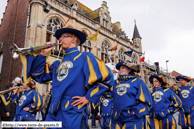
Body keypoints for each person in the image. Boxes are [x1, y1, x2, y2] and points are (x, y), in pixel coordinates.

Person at [30, 23, 114, 128]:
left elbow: (108, 78)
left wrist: (88, 97)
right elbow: (38, 75)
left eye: (64, 36)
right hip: (53, 112)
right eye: (60, 37)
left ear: (73, 39)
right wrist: (42, 54)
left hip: (73, 111)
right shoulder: (58, 63)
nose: (60, 39)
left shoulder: (85, 57)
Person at [110, 60, 152, 129]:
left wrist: (136, 112)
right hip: (116, 118)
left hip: (132, 118)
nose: (120, 69)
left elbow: (147, 101)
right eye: (120, 68)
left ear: (129, 69)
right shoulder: (115, 83)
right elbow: (108, 96)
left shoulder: (138, 81)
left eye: (123, 68)